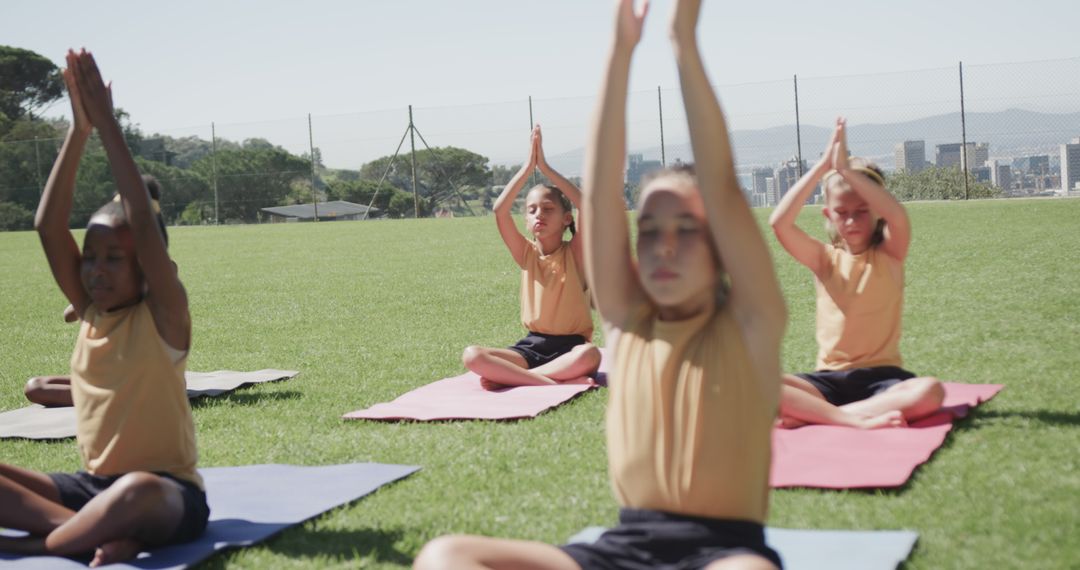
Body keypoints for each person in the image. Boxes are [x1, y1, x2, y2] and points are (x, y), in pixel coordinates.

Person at [414, 1, 786, 568]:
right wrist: (620, 51)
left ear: (721, 245)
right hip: (624, 548)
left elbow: (722, 185)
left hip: (721, 551)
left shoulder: (750, 322)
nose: (664, 242)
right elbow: (604, 190)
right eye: (652, 227)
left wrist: (682, 39)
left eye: (686, 229)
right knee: (446, 556)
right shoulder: (625, 319)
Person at [0, 49, 208, 567]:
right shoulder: (90, 310)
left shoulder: (164, 319)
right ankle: (86, 535)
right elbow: (49, 228)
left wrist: (109, 125)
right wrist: (79, 131)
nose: (95, 269)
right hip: (90, 489)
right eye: (90, 257)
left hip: (165, 495)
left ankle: (38, 544)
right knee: (109, 496)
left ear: (147, 267)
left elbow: (141, 223)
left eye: (114, 259)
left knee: (135, 492)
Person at [768, 117, 944, 429]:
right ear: (828, 215)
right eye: (842, 213)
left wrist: (846, 171)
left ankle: (827, 417)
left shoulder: (890, 253)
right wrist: (825, 166)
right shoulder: (823, 259)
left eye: (862, 211)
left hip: (883, 381)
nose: (852, 221)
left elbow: (897, 215)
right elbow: (779, 223)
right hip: (827, 383)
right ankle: (847, 417)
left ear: (877, 210)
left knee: (931, 391)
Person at [461, 124, 600, 389]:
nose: (539, 215)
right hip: (529, 348)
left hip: (571, 348)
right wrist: (528, 167)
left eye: (548, 209)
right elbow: (500, 211)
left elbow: (587, 206)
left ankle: (523, 379)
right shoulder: (526, 253)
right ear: (526, 220)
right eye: (532, 210)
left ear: (566, 219)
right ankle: (546, 381)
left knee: (590, 355)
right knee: (472, 355)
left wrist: (545, 169)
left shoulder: (576, 254)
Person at [24, 179, 171, 409]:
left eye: (114, 257)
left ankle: (115, 394)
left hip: (142, 379)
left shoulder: (160, 277)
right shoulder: (102, 294)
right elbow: (69, 314)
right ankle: (107, 392)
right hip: (108, 377)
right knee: (35, 386)